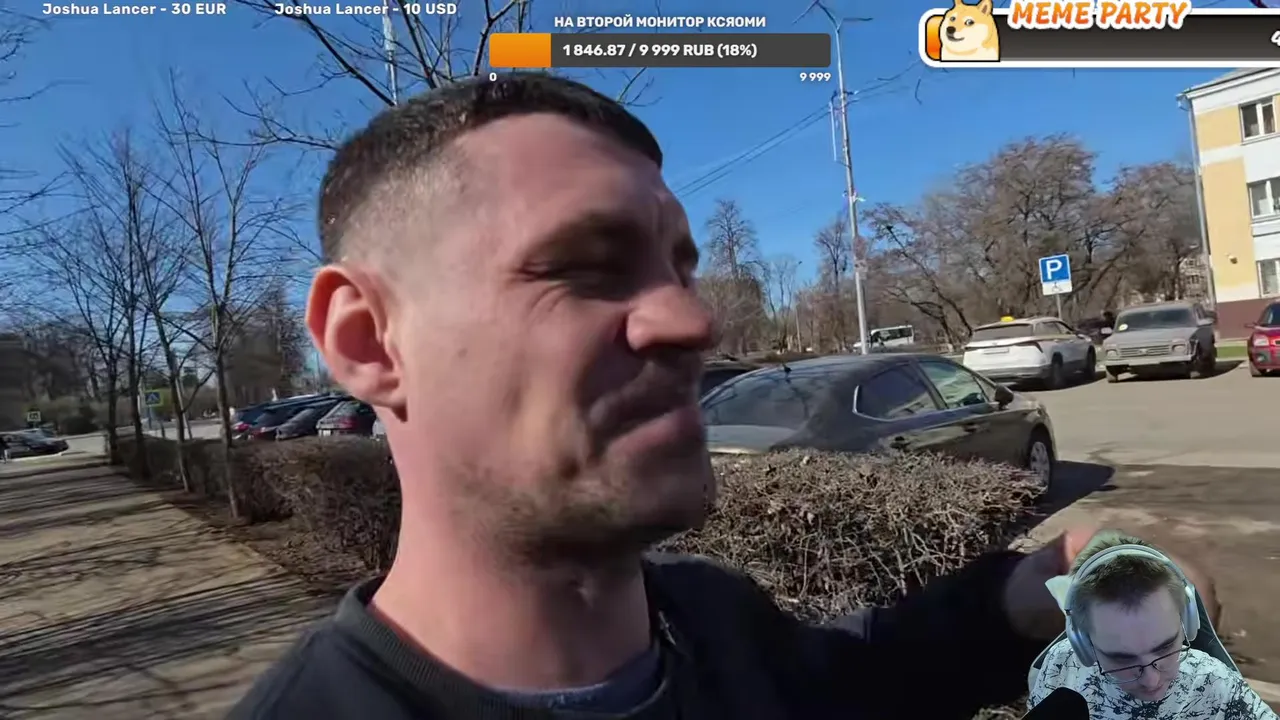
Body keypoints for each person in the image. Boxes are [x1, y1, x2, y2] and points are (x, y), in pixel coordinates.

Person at [232, 72, 1101, 719]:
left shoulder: (711, 618)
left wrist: (1020, 599)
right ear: (368, 340)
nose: (693, 320)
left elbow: (852, 676)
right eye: (585, 266)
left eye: (681, 270)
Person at [1029, 531, 1275, 719]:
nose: (1151, 680)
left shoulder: (1212, 681)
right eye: (1123, 660)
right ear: (1082, 644)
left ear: (1188, 623)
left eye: (1165, 648)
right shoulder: (1060, 668)